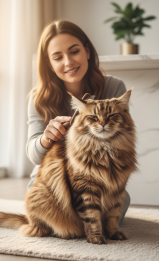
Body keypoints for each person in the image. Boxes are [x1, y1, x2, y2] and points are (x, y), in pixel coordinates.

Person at [26, 20, 130, 223]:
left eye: (74, 51)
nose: (68, 62)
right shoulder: (38, 97)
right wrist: (46, 139)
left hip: (99, 180)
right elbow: (34, 155)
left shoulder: (114, 88)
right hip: (53, 184)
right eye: (58, 57)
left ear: (88, 52)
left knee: (120, 205)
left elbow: (122, 139)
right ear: (49, 63)